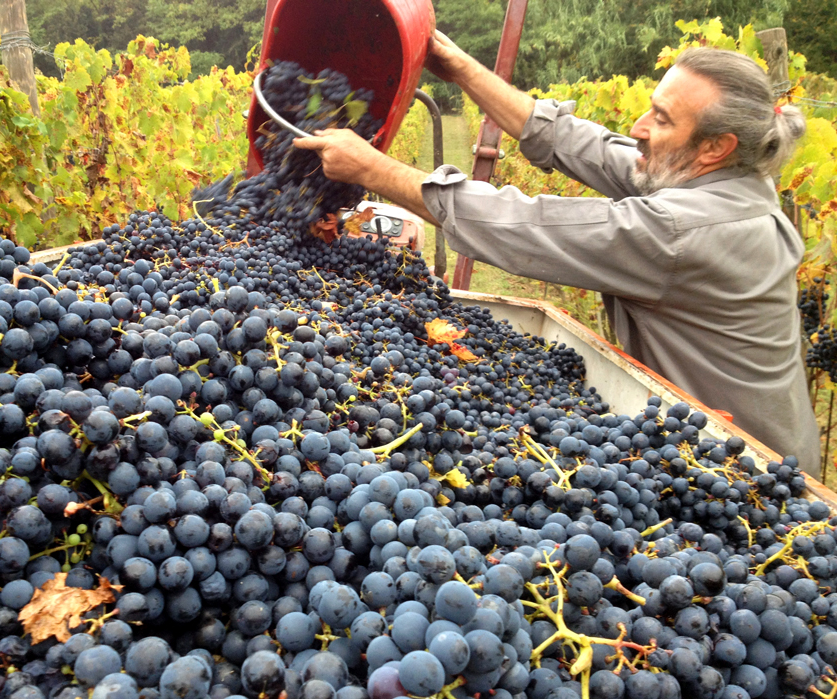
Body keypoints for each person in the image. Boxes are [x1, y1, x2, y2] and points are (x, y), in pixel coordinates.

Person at [293, 31, 819, 477]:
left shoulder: (686, 230)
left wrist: (375, 171)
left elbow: (523, 226)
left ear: (715, 147)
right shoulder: (724, 180)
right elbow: (579, 142)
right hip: (706, 434)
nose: (638, 127)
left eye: (660, 119)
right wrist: (458, 67)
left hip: (746, 464)